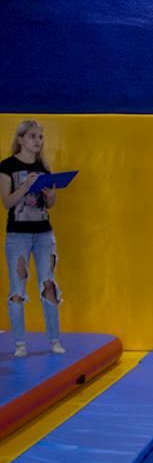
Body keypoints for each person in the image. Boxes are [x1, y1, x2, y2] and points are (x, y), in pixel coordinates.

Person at [0, 120, 65, 357]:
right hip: (18, 236)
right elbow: (7, 202)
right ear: (20, 140)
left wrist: (51, 196)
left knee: (48, 283)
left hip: (44, 234)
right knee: (18, 287)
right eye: (32, 136)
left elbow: (49, 204)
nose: (38, 141)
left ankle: (55, 340)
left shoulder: (43, 166)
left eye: (40, 137)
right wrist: (25, 186)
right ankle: (20, 344)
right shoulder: (7, 166)